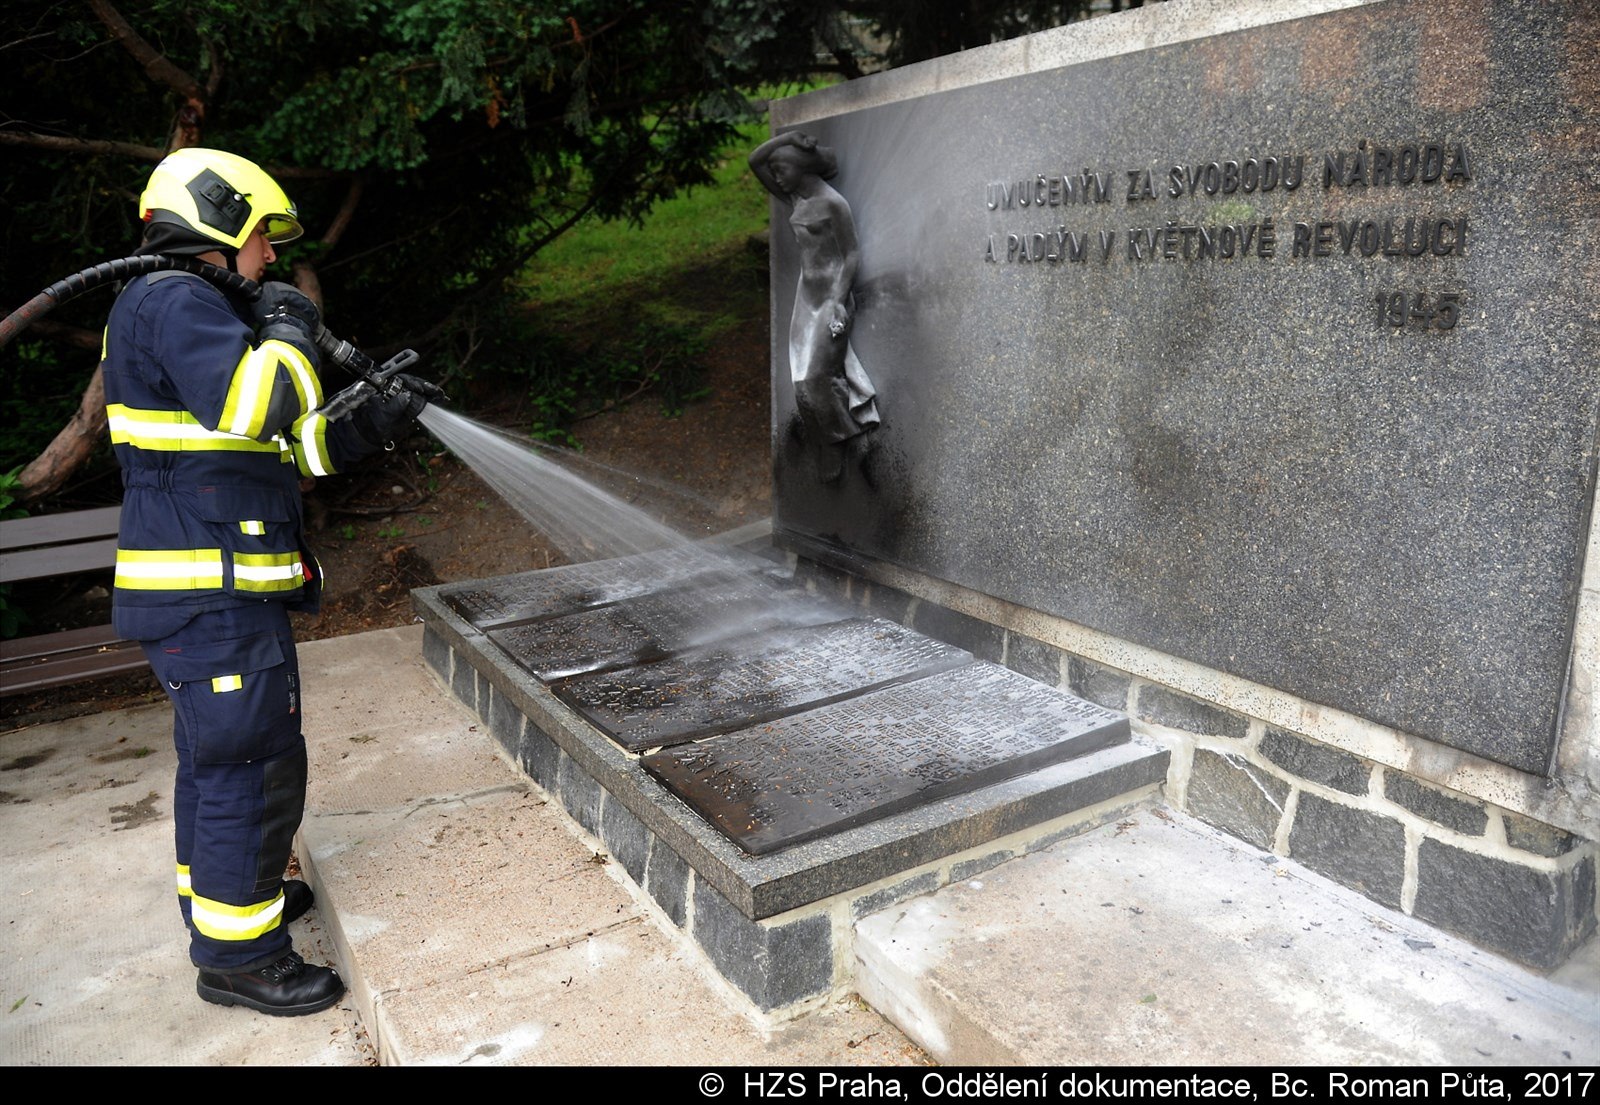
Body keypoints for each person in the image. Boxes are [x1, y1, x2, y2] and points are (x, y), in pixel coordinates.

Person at [100, 147, 437, 1016]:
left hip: (211, 597)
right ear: (217, 221)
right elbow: (256, 404)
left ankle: (224, 906)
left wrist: (367, 422)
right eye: (262, 238)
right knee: (250, 766)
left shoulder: (181, 308)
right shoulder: (173, 298)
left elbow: (272, 450)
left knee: (221, 763)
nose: (271, 257)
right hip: (209, 599)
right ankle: (240, 957)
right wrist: (288, 327)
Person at [749, 130, 879, 482]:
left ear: (801, 167)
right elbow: (754, 160)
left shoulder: (834, 203)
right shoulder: (796, 200)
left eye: (781, 170)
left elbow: (851, 254)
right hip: (806, 299)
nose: (776, 178)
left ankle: (844, 439)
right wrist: (788, 137)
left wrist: (839, 301)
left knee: (819, 375)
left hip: (832, 298)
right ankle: (830, 439)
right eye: (775, 173)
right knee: (801, 379)